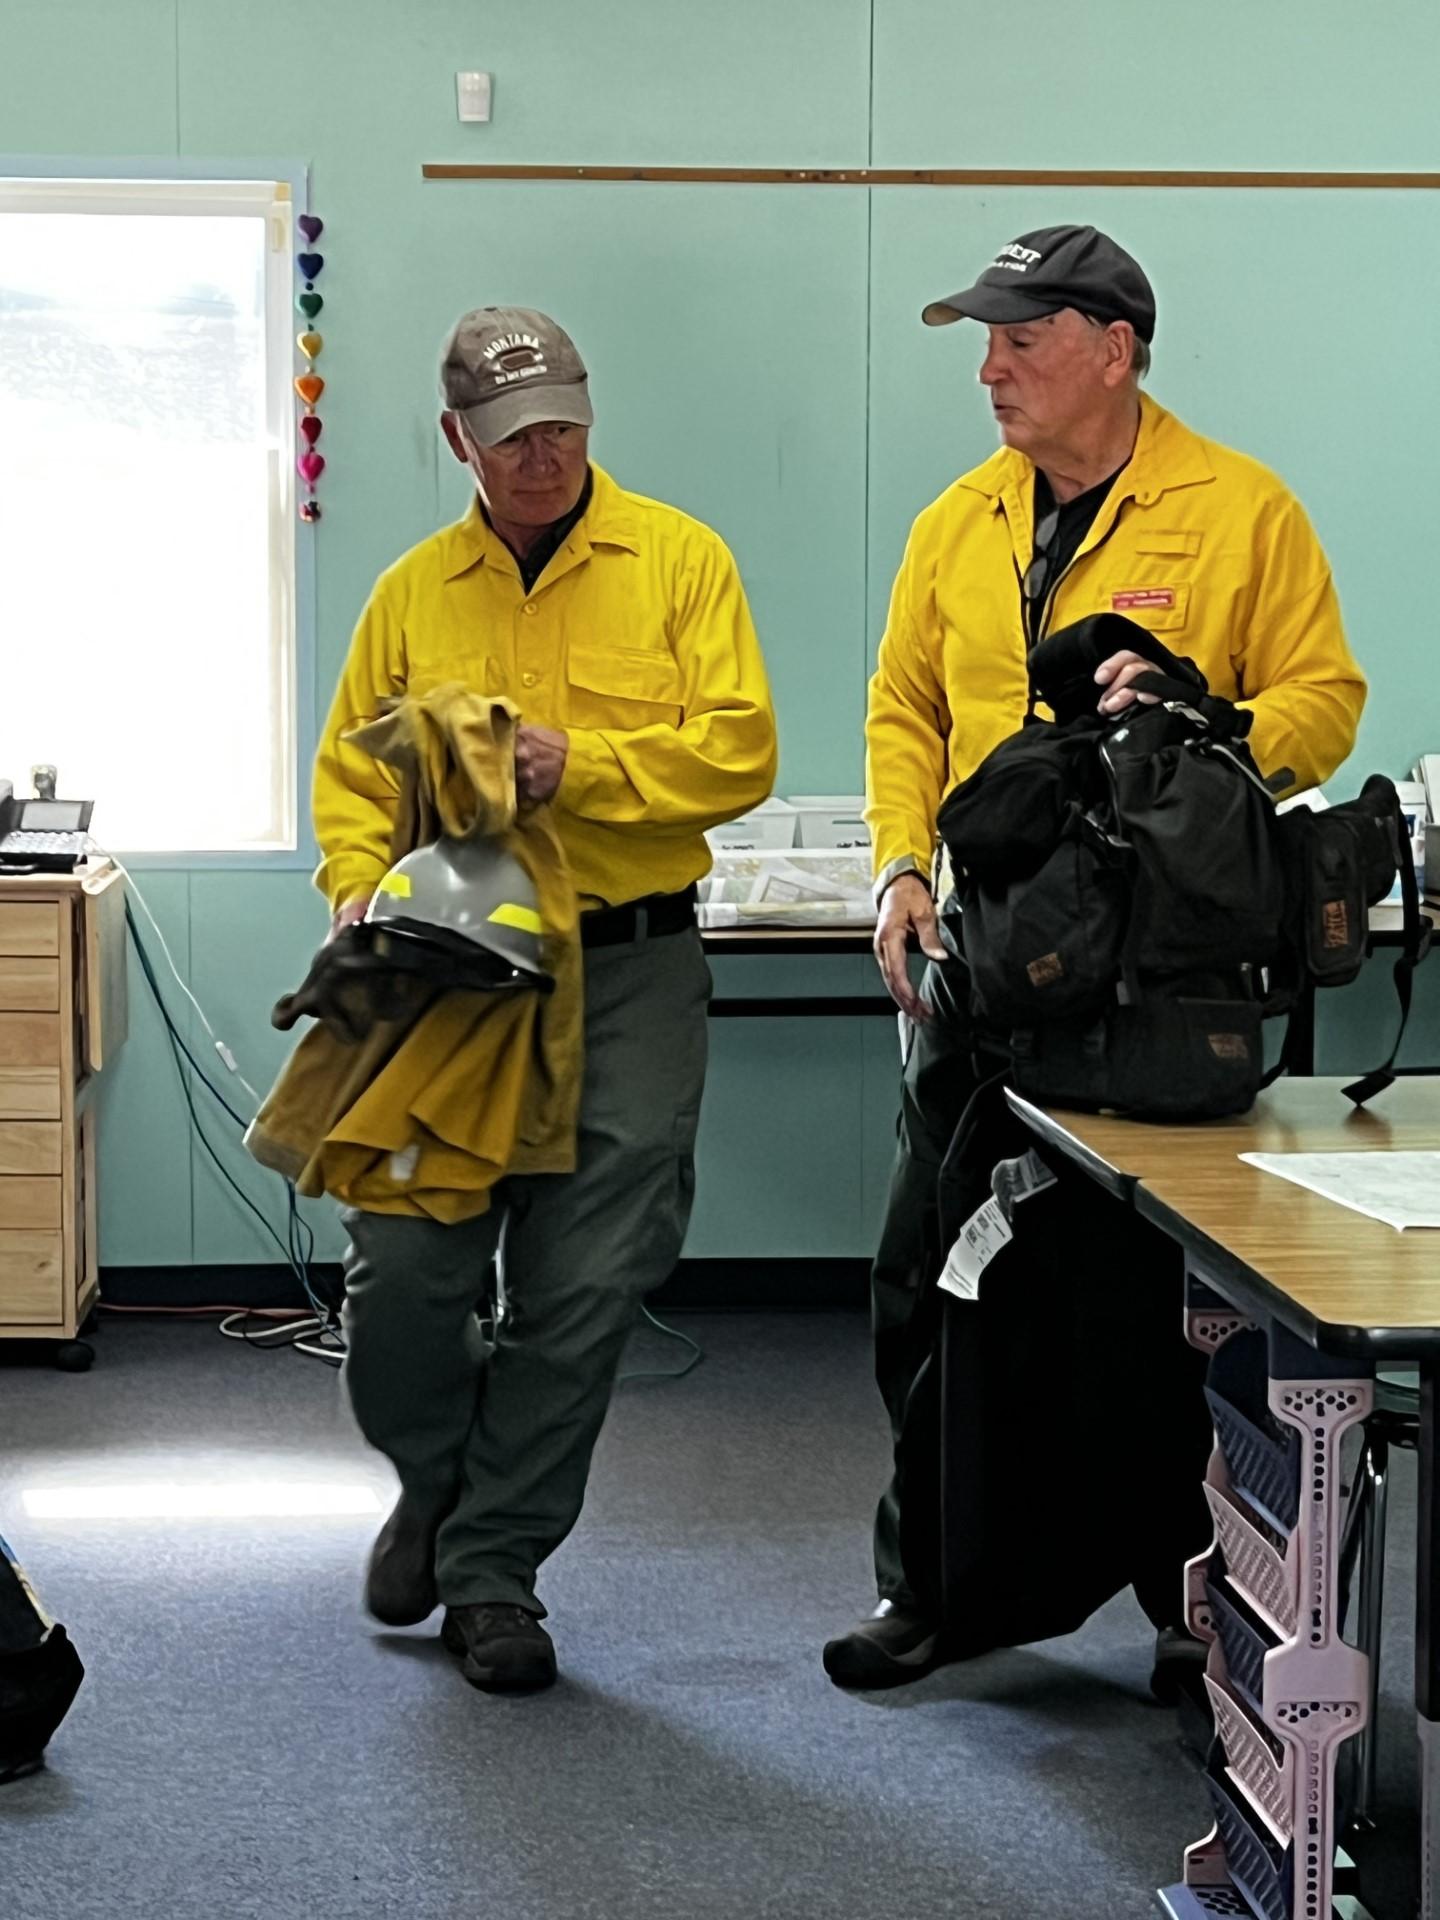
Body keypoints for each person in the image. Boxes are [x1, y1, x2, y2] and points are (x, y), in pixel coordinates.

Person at [824, 224, 1367, 1689]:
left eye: (1023, 339)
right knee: (928, 1280)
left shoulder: (1239, 510)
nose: (992, 369)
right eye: (986, 344)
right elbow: (903, 711)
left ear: (1114, 347)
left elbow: (1328, 693)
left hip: (1162, 985)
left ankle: (1188, 1607)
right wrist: (895, 865)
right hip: (990, 977)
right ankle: (929, 1584)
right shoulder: (958, 520)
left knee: (1157, 1316)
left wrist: (1209, 720)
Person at [313, 307, 777, 1693]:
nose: (545, 455)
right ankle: (437, 1476)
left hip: (630, 969)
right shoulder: (412, 591)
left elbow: (738, 750)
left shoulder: (681, 562)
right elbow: (353, 770)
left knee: (580, 1292)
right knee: (402, 1277)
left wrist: (585, 765)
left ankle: (494, 1571)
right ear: (458, 440)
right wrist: (354, 881)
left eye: (564, 424)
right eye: (514, 437)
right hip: (449, 970)